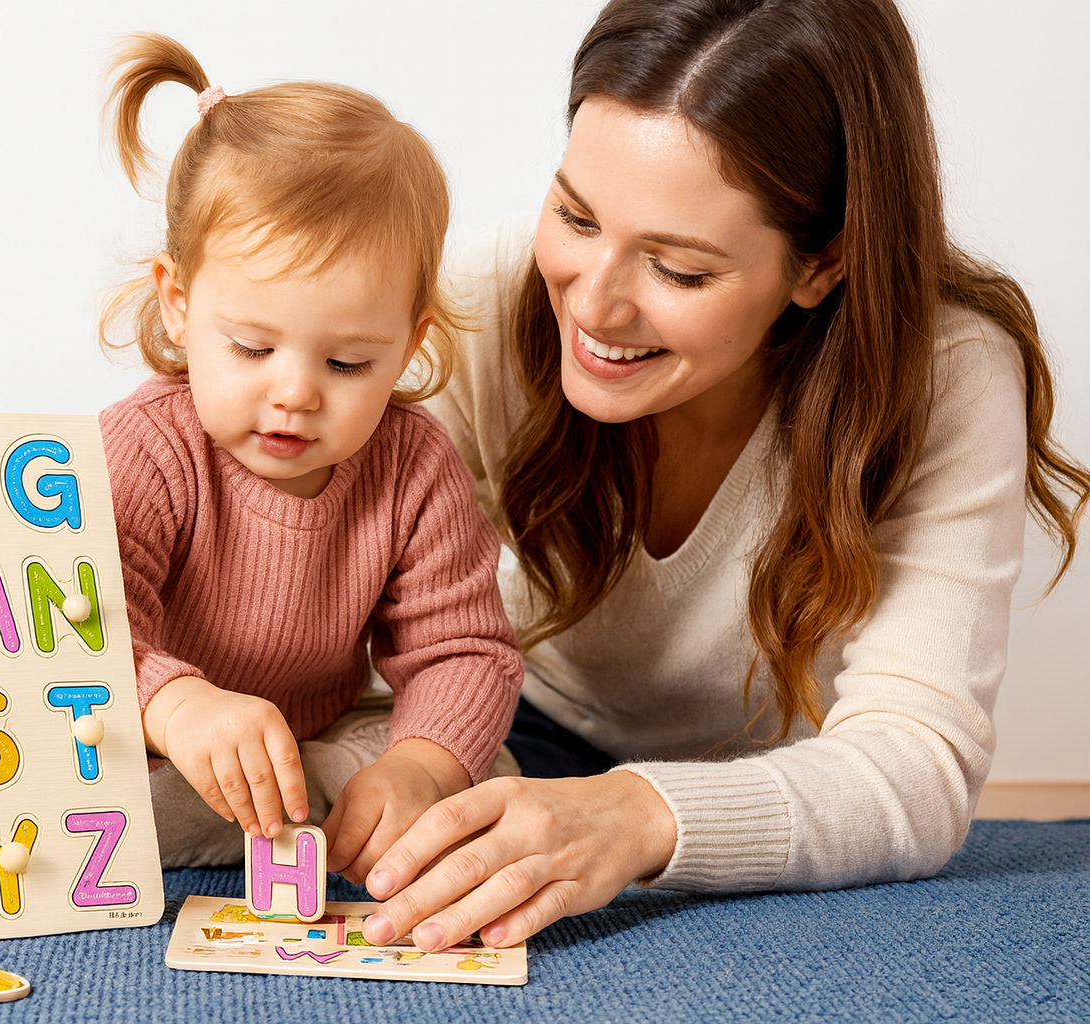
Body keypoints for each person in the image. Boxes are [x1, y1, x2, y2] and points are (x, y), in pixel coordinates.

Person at [358, 0, 1090, 952]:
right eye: (576, 215)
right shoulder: (479, 306)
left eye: (680, 270)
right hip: (517, 735)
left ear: (822, 264)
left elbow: (917, 765)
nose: (595, 301)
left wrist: (630, 815)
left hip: (789, 787)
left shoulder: (945, 376)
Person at [96, 35, 524, 872]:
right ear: (178, 305)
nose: (295, 393)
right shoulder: (146, 449)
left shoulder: (412, 465)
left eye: (347, 363)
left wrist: (419, 765)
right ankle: (277, 819)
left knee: (483, 770)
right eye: (253, 348)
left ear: (407, 346)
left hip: (321, 733)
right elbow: (84, 630)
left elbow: (464, 650)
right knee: (115, 799)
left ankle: (320, 804)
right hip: (157, 747)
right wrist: (177, 706)